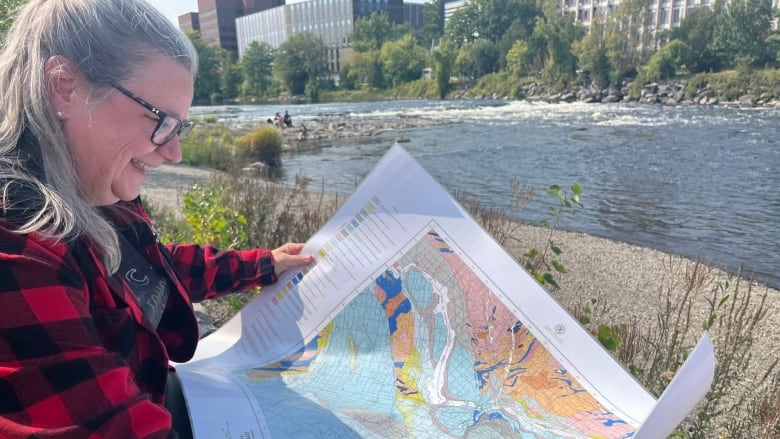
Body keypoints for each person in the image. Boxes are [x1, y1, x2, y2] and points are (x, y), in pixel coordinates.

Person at [0, 1, 313, 438]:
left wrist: (264, 264)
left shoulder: (95, 191)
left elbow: (149, 271)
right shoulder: (16, 247)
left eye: (179, 128)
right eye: (159, 119)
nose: (174, 153)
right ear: (64, 87)